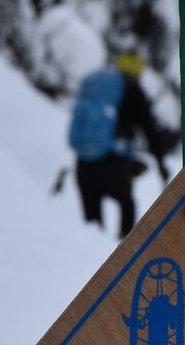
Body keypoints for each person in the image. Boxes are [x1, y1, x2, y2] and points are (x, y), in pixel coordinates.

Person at [68, 50, 171, 238]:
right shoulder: (133, 92)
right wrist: (160, 162)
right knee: (127, 204)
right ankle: (124, 253)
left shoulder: (100, 87)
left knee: (92, 226)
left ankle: (92, 255)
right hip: (114, 163)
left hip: (84, 163)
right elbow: (150, 130)